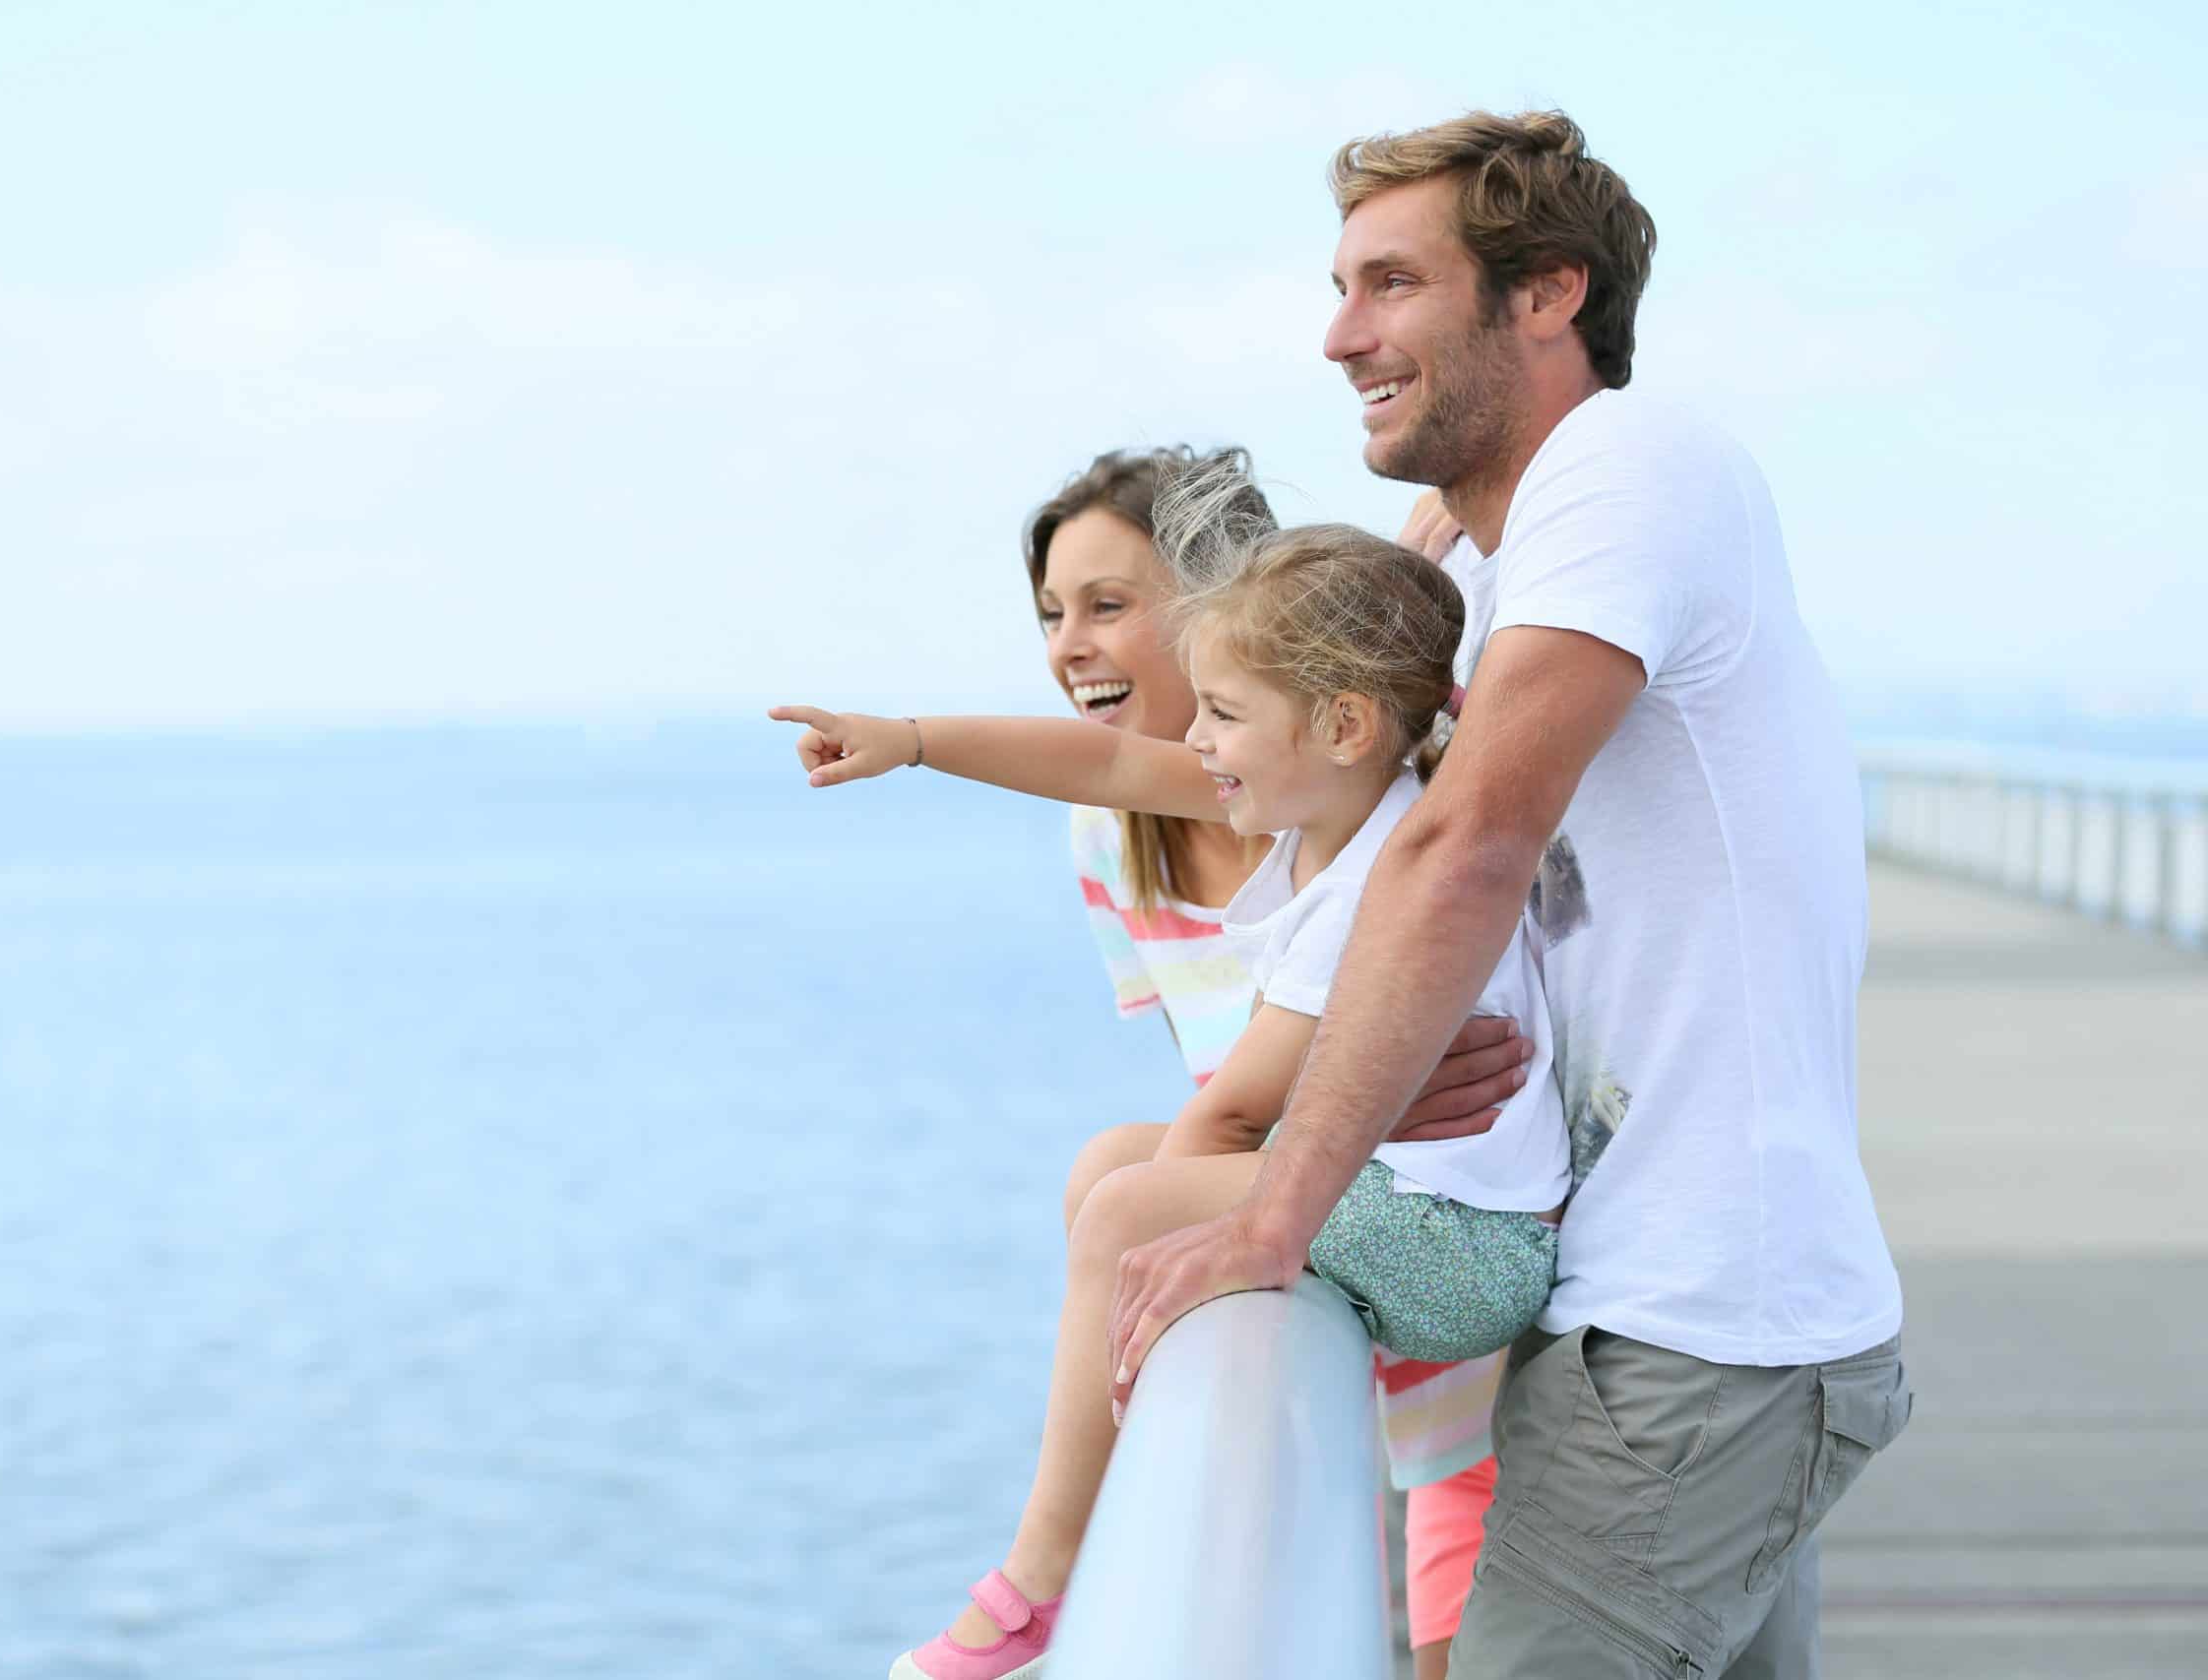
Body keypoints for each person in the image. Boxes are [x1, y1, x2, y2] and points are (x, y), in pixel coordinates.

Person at [1097, 111, 1912, 1679]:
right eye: (1340, 287)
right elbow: (1322, 757)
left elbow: (1465, 840)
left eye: (1392, 283)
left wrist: (1278, 1212)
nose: (1341, 336)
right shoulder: (1499, 552)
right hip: (1681, 1318)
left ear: (1549, 294)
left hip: (1701, 1334)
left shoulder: (1629, 461)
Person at [773, 476, 1572, 1680]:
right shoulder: (1345, 801)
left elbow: (1236, 1110)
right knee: (1115, 1167)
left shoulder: (1368, 881)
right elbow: (1098, 768)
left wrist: (1158, 1234)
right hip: (1437, 1213)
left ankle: (1043, 1576)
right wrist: (916, 743)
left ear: (1339, 724)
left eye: (1220, 713)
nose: (1192, 743)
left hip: (1458, 1248)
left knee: (1129, 1201)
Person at [1028, 448, 1535, 1676]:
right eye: (1050, 613)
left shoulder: (1360, 838)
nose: (1071, 644)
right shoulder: (1117, 840)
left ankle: (1041, 1572)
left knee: (1448, 1504)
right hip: (1335, 1201)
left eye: (1109, 604)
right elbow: (1224, 1087)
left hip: (1430, 1230)